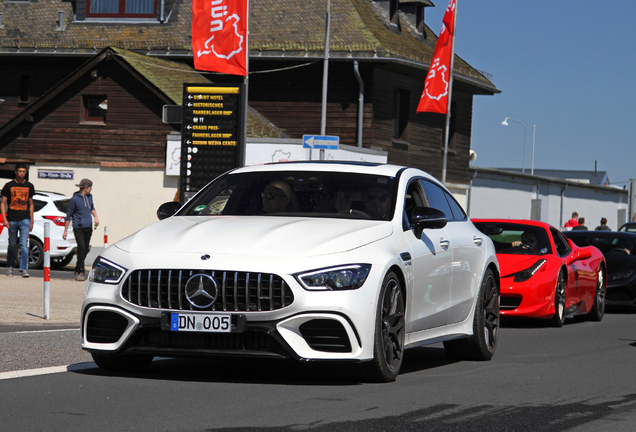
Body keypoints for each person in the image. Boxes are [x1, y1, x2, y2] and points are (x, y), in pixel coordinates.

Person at [1, 163, 35, 277]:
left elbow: (31, 204)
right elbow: (3, 203)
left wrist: (32, 220)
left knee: (24, 244)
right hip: (12, 219)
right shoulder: (9, 185)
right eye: (20, 171)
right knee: (12, 243)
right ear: (15, 172)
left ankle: (24, 268)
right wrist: (4, 219)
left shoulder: (29, 186)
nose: (22, 173)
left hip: (25, 219)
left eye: (24, 171)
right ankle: (10, 267)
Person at [63, 179, 100, 281]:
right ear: (85, 188)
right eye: (90, 187)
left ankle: (77, 267)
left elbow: (91, 207)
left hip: (88, 226)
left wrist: (96, 217)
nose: (91, 189)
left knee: (86, 249)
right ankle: (81, 271)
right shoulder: (74, 199)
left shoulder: (89, 197)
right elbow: (68, 215)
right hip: (78, 227)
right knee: (82, 247)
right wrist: (65, 230)